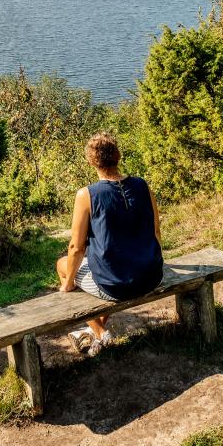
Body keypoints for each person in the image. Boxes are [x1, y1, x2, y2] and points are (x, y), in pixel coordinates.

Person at [56, 132, 163, 356]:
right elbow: (156, 231)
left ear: (91, 161)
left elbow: (76, 247)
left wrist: (67, 285)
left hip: (116, 284)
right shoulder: (143, 185)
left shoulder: (87, 195)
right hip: (152, 276)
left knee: (63, 265)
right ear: (118, 155)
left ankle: (101, 333)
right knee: (112, 267)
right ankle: (94, 333)